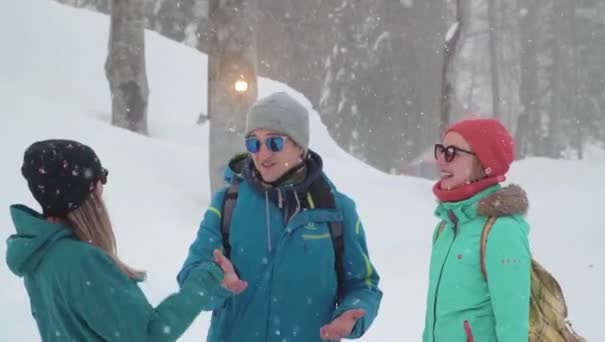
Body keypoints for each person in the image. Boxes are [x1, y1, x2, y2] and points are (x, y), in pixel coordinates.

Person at [177, 92, 383, 342]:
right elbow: (190, 275)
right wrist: (214, 281)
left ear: (300, 146)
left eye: (274, 143)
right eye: (254, 143)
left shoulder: (337, 211)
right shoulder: (227, 203)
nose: (263, 155)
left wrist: (352, 313)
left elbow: (363, 284)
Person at [6, 139, 244, 341]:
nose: (103, 186)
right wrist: (208, 277)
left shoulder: (40, 256)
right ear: (83, 191)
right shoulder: (82, 262)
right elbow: (149, 334)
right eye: (101, 178)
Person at [423, 117, 532, 341]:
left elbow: (513, 326)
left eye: (452, 152)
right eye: (441, 150)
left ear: (483, 162)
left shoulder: (501, 230)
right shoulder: (445, 227)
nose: (442, 161)